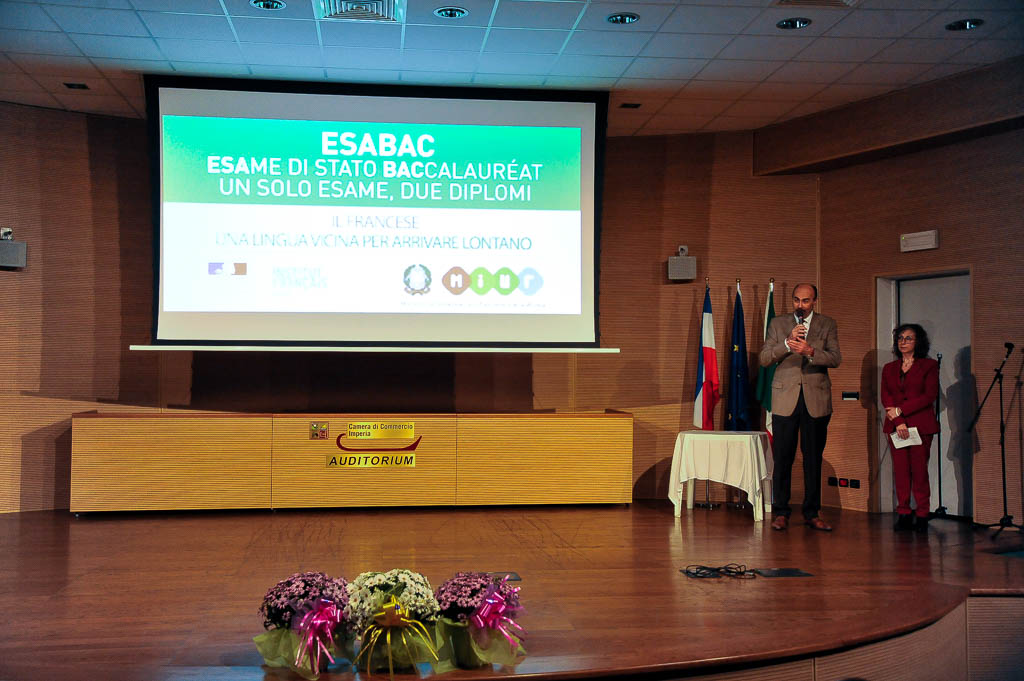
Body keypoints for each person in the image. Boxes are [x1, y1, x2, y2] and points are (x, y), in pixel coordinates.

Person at [759, 283, 842, 531]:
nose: (800, 305)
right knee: (783, 457)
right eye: (796, 300)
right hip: (785, 399)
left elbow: (835, 358)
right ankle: (781, 512)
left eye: (806, 301)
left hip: (815, 400)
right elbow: (764, 358)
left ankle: (812, 512)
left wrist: (810, 351)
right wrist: (786, 344)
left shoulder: (827, 324)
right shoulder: (778, 324)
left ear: (814, 301)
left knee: (812, 458)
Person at [881, 324, 940, 533]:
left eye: (908, 338)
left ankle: (922, 513)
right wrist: (899, 420)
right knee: (901, 472)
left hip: (921, 426)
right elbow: (886, 396)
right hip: (896, 426)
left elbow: (929, 396)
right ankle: (904, 512)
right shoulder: (889, 368)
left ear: (918, 342)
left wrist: (901, 410)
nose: (903, 342)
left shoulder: (929, 366)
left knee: (919, 471)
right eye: (900, 338)